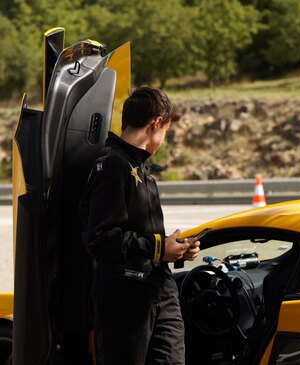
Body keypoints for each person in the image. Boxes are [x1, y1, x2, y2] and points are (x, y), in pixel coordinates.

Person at [80, 87, 200, 365]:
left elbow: (141, 235)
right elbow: (100, 238)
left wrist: (177, 250)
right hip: (125, 300)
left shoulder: (141, 169)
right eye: (166, 131)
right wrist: (159, 248)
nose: (164, 139)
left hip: (158, 289)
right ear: (156, 123)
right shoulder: (112, 165)